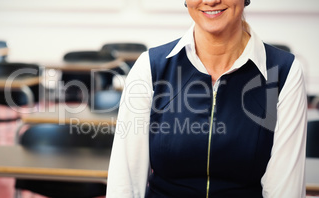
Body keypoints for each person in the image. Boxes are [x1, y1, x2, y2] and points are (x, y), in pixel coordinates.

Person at [107, 0, 307, 197]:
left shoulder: (284, 72)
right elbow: (125, 184)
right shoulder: (150, 67)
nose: (211, 1)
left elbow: (284, 189)